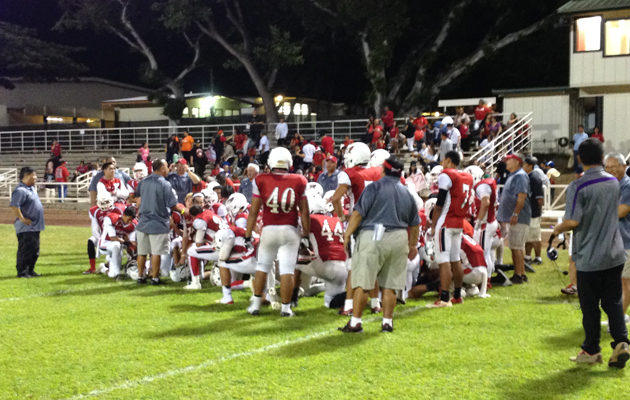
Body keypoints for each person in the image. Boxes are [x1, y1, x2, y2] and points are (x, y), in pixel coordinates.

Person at [553, 139, 630, 368]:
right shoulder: (613, 182)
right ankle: (621, 342)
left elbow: (573, 220)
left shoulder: (579, 185)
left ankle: (591, 350)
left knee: (589, 307)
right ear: (602, 157)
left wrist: (557, 228)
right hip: (614, 253)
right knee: (613, 302)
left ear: (579, 158)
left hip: (589, 256)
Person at [339, 156, 420, 332]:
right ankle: (387, 323)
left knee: (363, 282)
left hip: (373, 234)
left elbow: (358, 214)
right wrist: (413, 245)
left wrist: (347, 235)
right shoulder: (407, 193)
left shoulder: (374, 187)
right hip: (399, 237)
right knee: (390, 285)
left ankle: (355, 323)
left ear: (384, 170)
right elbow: (415, 223)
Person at [244, 147, 310, 317]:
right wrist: (306, 236)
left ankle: (256, 305)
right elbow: (304, 212)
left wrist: (248, 234)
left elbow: (253, 211)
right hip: (290, 230)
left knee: (262, 267)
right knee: (287, 269)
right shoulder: (299, 180)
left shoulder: (261, 179)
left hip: (269, 229)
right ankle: (286, 309)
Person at [428, 151, 472, 308]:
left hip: (446, 221)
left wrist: (433, 225)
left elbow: (440, 202)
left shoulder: (446, 175)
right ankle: (458, 295)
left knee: (444, 259)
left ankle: (445, 298)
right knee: (455, 258)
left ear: (448, 160)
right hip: (458, 222)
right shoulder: (466, 176)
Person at [135, 159, 185, 285]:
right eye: (167, 167)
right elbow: (173, 205)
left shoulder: (143, 181)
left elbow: (137, 197)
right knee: (156, 252)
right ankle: (155, 278)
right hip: (158, 222)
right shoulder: (165, 184)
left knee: (141, 252)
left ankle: (140, 277)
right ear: (162, 168)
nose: (168, 169)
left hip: (142, 222)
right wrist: (185, 211)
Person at [497, 153, 531, 284]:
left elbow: (521, 197)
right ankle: (521, 273)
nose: (506, 162)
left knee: (516, 247)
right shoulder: (516, 176)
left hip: (518, 217)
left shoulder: (520, 176)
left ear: (517, 162)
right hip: (515, 216)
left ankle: (518, 274)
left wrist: (515, 214)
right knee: (517, 246)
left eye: (509, 160)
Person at [604, 152, 630, 323]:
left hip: (626, 240)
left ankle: (618, 319)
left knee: (625, 281)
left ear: (624, 166)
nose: (611, 170)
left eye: (614, 167)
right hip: (613, 240)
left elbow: (622, 211)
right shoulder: (609, 184)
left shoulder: (627, 185)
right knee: (617, 281)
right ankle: (619, 316)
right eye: (607, 167)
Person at [10, 167, 45, 278]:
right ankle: (22, 272)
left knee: (34, 250)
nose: (35, 177)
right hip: (26, 227)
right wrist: (22, 218)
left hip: (34, 226)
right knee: (25, 250)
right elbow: (15, 206)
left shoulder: (31, 189)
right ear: (26, 176)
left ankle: (30, 270)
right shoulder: (20, 190)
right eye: (33, 175)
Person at [523, 156, 544, 266]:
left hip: (534, 211)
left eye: (525, 164)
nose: (523, 166)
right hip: (529, 210)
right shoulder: (529, 176)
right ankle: (527, 256)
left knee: (535, 236)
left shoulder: (534, 177)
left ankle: (538, 257)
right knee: (529, 235)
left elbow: (540, 197)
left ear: (530, 166)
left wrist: (539, 209)